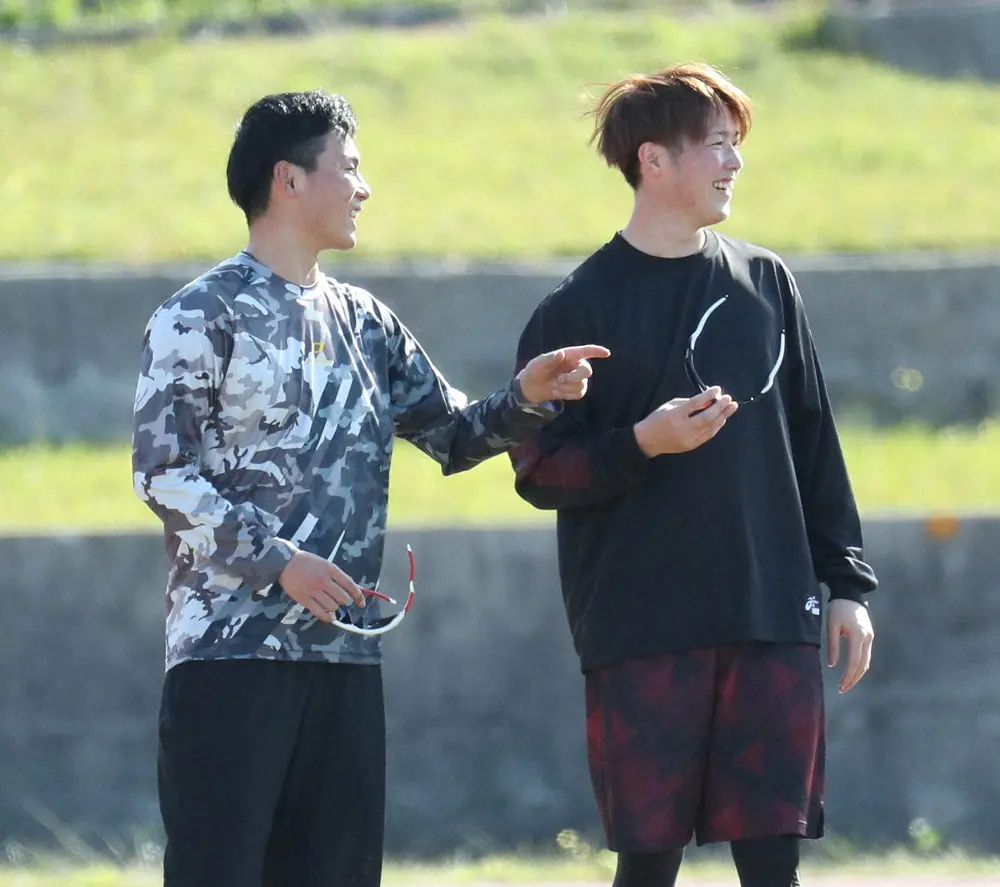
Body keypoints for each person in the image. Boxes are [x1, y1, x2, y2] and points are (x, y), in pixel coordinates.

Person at [131, 89, 608, 887]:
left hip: (345, 657)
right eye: (348, 167)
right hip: (230, 655)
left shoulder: (367, 322)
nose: (364, 187)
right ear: (288, 179)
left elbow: (454, 435)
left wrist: (528, 395)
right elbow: (163, 473)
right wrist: (279, 562)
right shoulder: (197, 317)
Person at [510, 64, 878, 887]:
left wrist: (847, 585)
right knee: (647, 862)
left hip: (771, 612)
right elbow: (539, 471)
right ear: (653, 159)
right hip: (642, 625)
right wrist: (642, 442)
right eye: (716, 144)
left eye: (736, 144)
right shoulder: (577, 309)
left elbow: (814, 441)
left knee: (774, 861)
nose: (734, 162)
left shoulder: (766, 282)